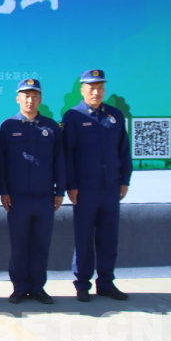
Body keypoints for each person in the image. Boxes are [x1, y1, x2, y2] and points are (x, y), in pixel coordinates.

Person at [63, 69, 131, 302]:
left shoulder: (115, 115)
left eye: (100, 88)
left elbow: (123, 150)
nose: (96, 92)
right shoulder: (73, 116)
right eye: (91, 88)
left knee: (108, 238)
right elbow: (68, 154)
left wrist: (124, 180)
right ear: (82, 90)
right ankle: (82, 284)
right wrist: (71, 185)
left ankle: (106, 283)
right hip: (85, 189)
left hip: (111, 188)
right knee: (84, 238)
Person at [0, 79, 65, 305]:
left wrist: (59, 191)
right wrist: (4, 191)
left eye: (35, 96)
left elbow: (59, 161)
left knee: (41, 245)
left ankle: (37, 288)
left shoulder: (51, 127)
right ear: (18, 98)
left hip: (45, 197)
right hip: (17, 198)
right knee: (19, 246)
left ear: (40, 99)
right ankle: (19, 288)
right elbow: (1, 162)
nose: (30, 100)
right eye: (26, 96)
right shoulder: (8, 126)